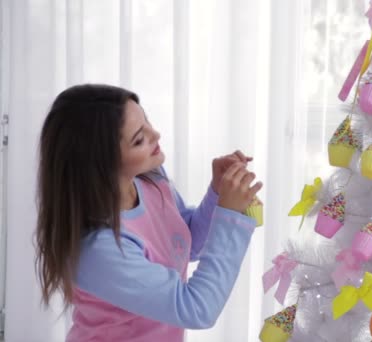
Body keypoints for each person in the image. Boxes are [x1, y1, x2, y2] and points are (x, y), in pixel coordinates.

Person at [34, 84, 263, 341]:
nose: (157, 134)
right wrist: (228, 217)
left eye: (147, 121)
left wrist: (217, 194)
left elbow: (183, 244)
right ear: (101, 163)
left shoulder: (148, 180)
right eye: (139, 139)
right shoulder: (99, 248)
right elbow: (197, 309)